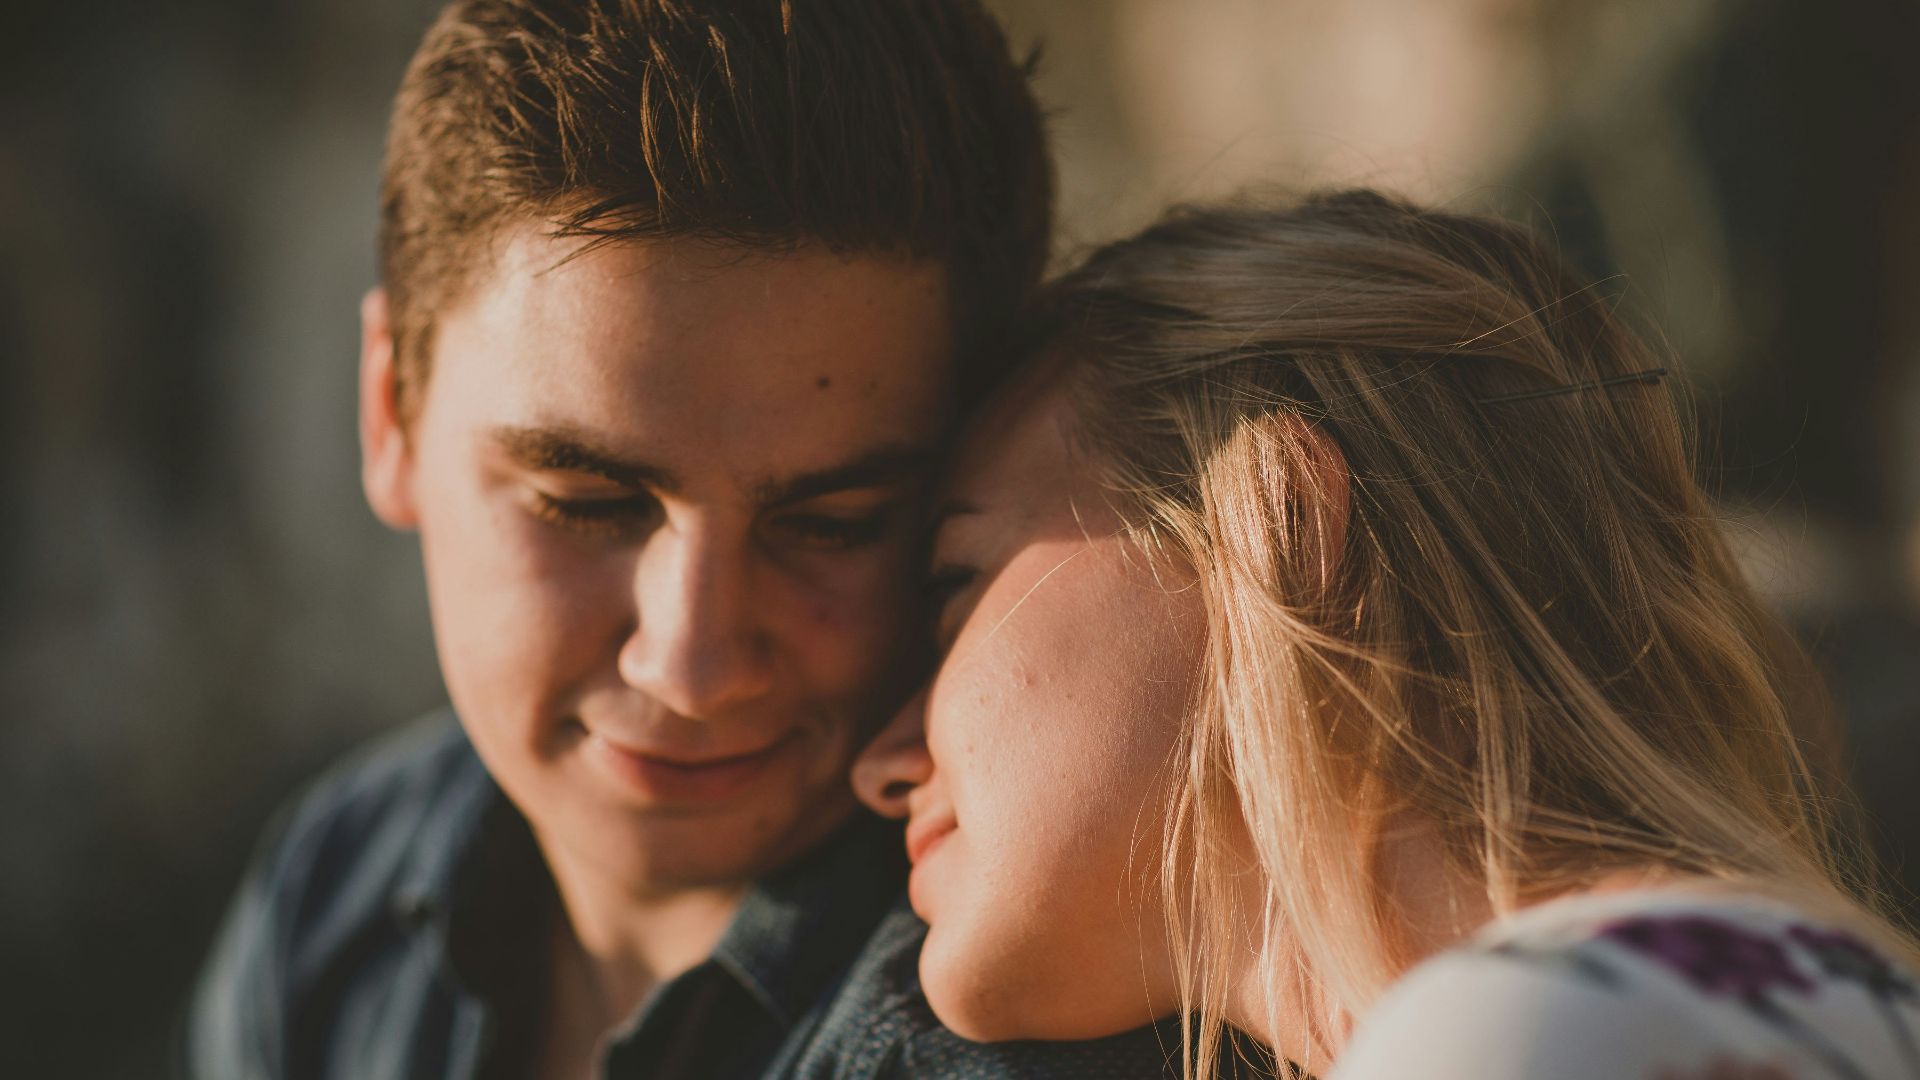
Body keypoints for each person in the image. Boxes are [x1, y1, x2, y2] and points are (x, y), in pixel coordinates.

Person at [186, 2, 1184, 1077]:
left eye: (833, 525)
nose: (693, 666)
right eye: (588, 503)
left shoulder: (1026, 1040)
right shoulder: (333, 897)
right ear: (391, 413)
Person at [852, 189, 1920, 1079]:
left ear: (1274, 519)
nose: (882, 762)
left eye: (956, 586)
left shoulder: (1540, 1032)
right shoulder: (1761, 991)